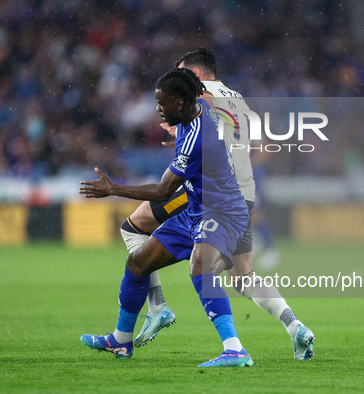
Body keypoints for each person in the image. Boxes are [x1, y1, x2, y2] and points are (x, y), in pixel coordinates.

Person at [120, 48, 314, 360]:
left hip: (210, 194)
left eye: (181, 74)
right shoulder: (237, 98)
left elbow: (202, 134)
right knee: (243, 276)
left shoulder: (201, 98)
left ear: (195, 76)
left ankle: (157, 307)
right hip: (241, 194)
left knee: (135, 225)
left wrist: (181, 134)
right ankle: (295, 326)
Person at [79, 68, 253, 367]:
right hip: (197, 210)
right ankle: (121, 341)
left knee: (200, 266)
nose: (157, 108)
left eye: (162, 102)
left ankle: (235, 349)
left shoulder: (197, 135)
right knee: (138, 263)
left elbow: (161, 191)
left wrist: (113, 188)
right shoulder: (193, 117)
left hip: (223, 213)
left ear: (180, 104)